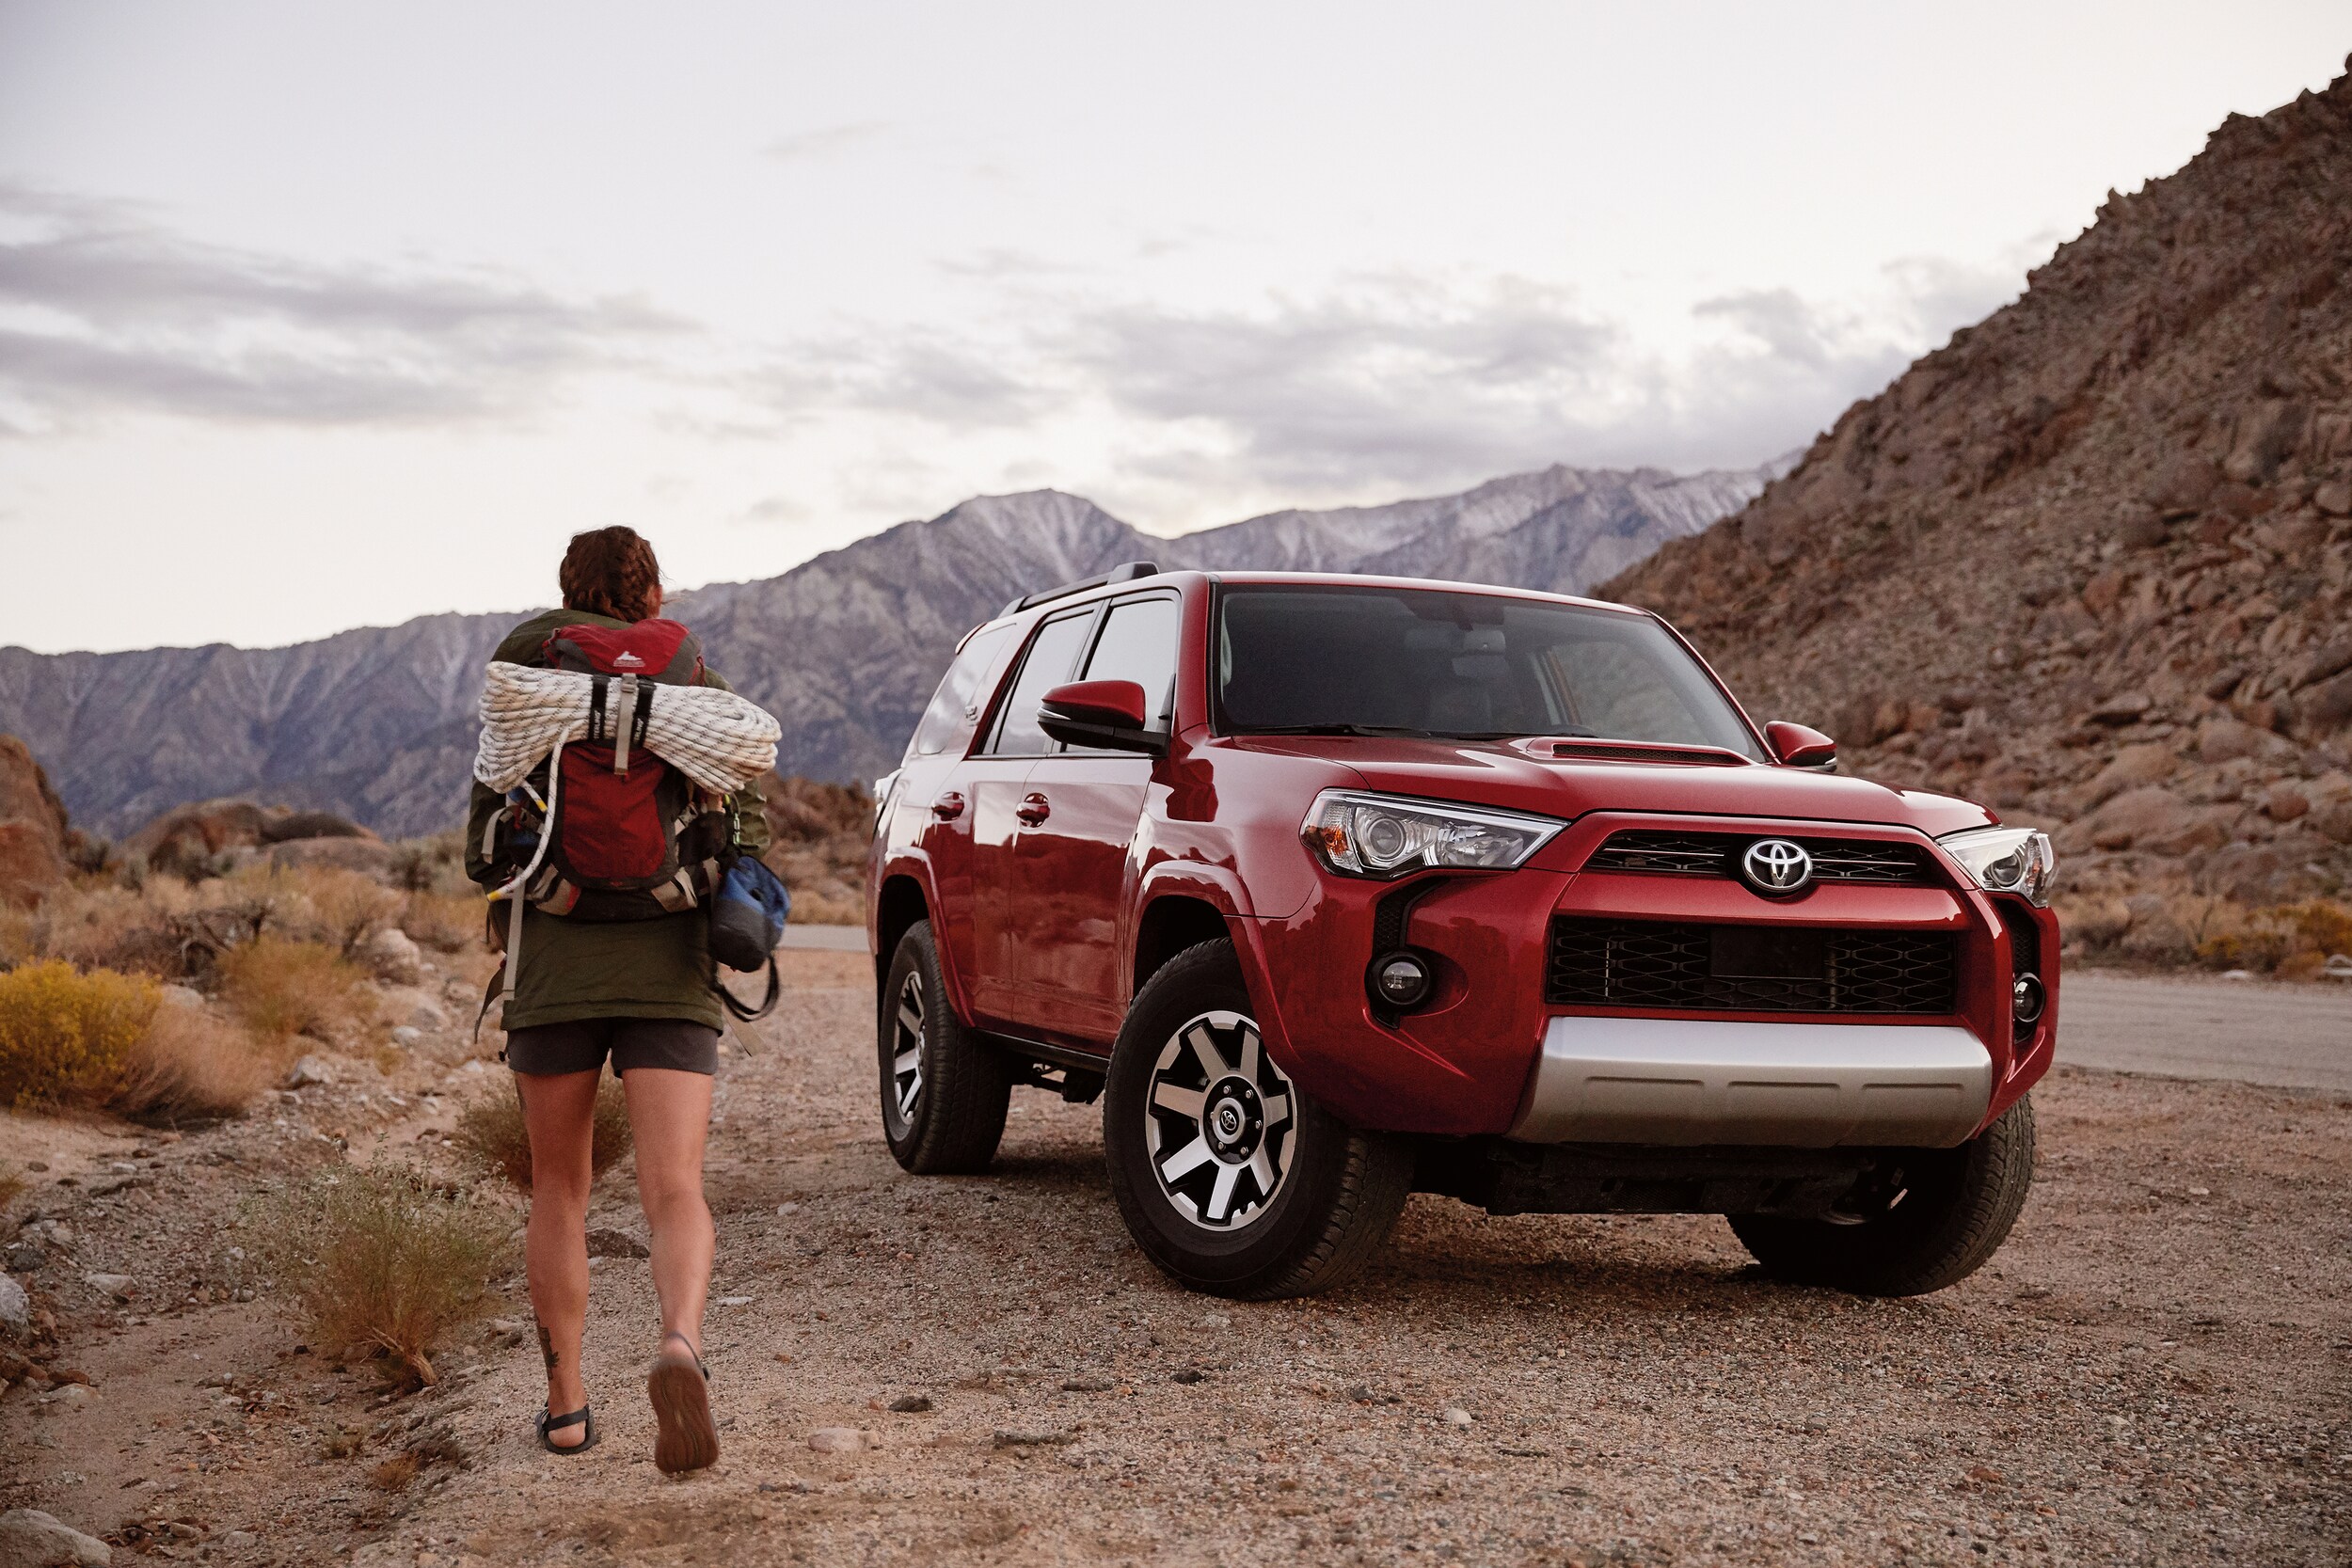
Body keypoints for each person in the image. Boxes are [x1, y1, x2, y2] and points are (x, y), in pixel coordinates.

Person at [463, 526, 770, 1472]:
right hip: (668, 960)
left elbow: (482, 836)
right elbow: (748, 820)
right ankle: (679, 1342)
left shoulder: (525, 672)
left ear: (568, 589)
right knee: (674, 1186)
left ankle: (566, 1406)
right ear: (653, 593)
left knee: (560, 1186)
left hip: (554, 962)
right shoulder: (692, 680)